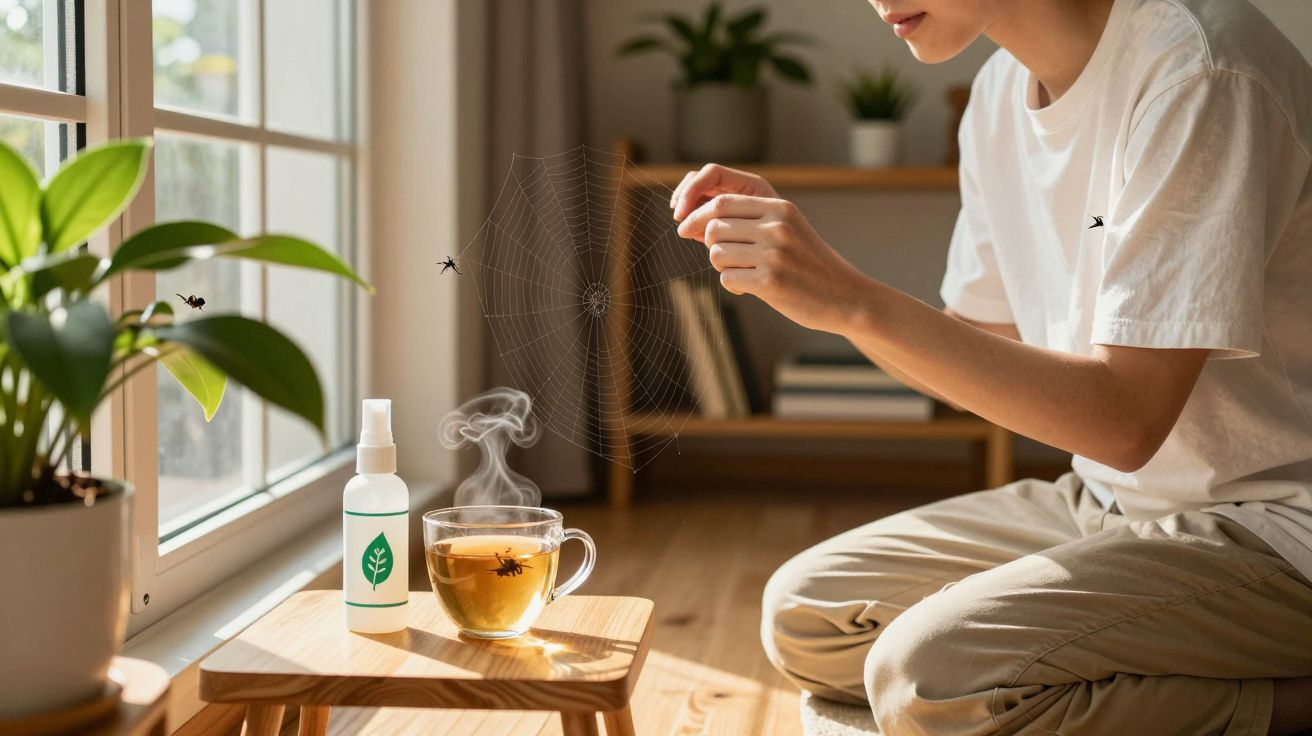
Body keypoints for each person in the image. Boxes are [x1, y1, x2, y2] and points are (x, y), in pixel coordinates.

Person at [668, 0, 1312, 733]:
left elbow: (1126, 421)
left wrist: (852, 300)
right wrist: (814, 292)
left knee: (929, 679)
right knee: (809, 616)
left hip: (1279, 526)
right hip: (1112, 506)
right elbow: (972, 345)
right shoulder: (998, 97)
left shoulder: (1199, 69)